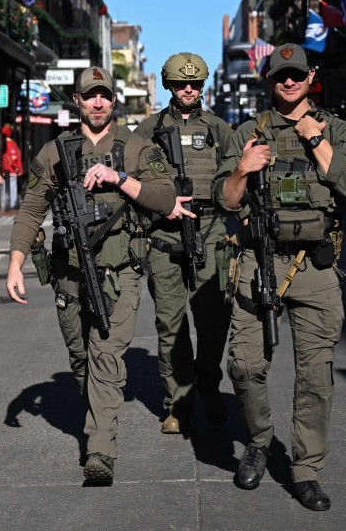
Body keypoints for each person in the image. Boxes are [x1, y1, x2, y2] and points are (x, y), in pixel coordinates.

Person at [5, 66, 184, 485]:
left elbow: (165, 196)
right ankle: (98, 416)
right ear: (78, 101)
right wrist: (15, 262)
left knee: (106, 355)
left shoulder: (135, 146)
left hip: (120, 271)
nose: (98, 102)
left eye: (104, 95)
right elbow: (32, 208)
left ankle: (100, 450)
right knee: (82, 358)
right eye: (91, 96)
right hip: (69, 273)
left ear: (113, 100)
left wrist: (120, 179)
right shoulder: (55, 151)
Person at [214, 44, 346, 511]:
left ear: (311, 76)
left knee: (315, 375)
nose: (288, 81)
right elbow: (226, 199)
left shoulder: (335, 128)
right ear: (268, 79)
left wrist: (314, 138)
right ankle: (259, 440)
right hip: (259, 261)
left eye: (296, 73)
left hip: (316, 266)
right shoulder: (247, 132)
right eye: (280, 75)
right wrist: (243, 167)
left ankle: (305, 470)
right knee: (242, 364)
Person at [134, 52, 233, 435]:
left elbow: (236, 180)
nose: (188, 89)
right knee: (169, 324)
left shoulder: (220, 129)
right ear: (168, 86)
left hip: (210, 229)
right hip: (163, 234)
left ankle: (208, 386)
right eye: (180, 84)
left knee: (212, 323)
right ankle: (177, 402)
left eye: (194, 83)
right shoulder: (147, 130)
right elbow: (131, 182)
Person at [0, 124, 24, 210]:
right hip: (11, 169)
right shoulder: (11, 144)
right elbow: (15, 157)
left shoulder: (5, 144)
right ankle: (11, 203)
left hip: (8, 169)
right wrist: (18, 168)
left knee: (6, 186)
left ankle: (7, 203)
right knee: (12, 186)